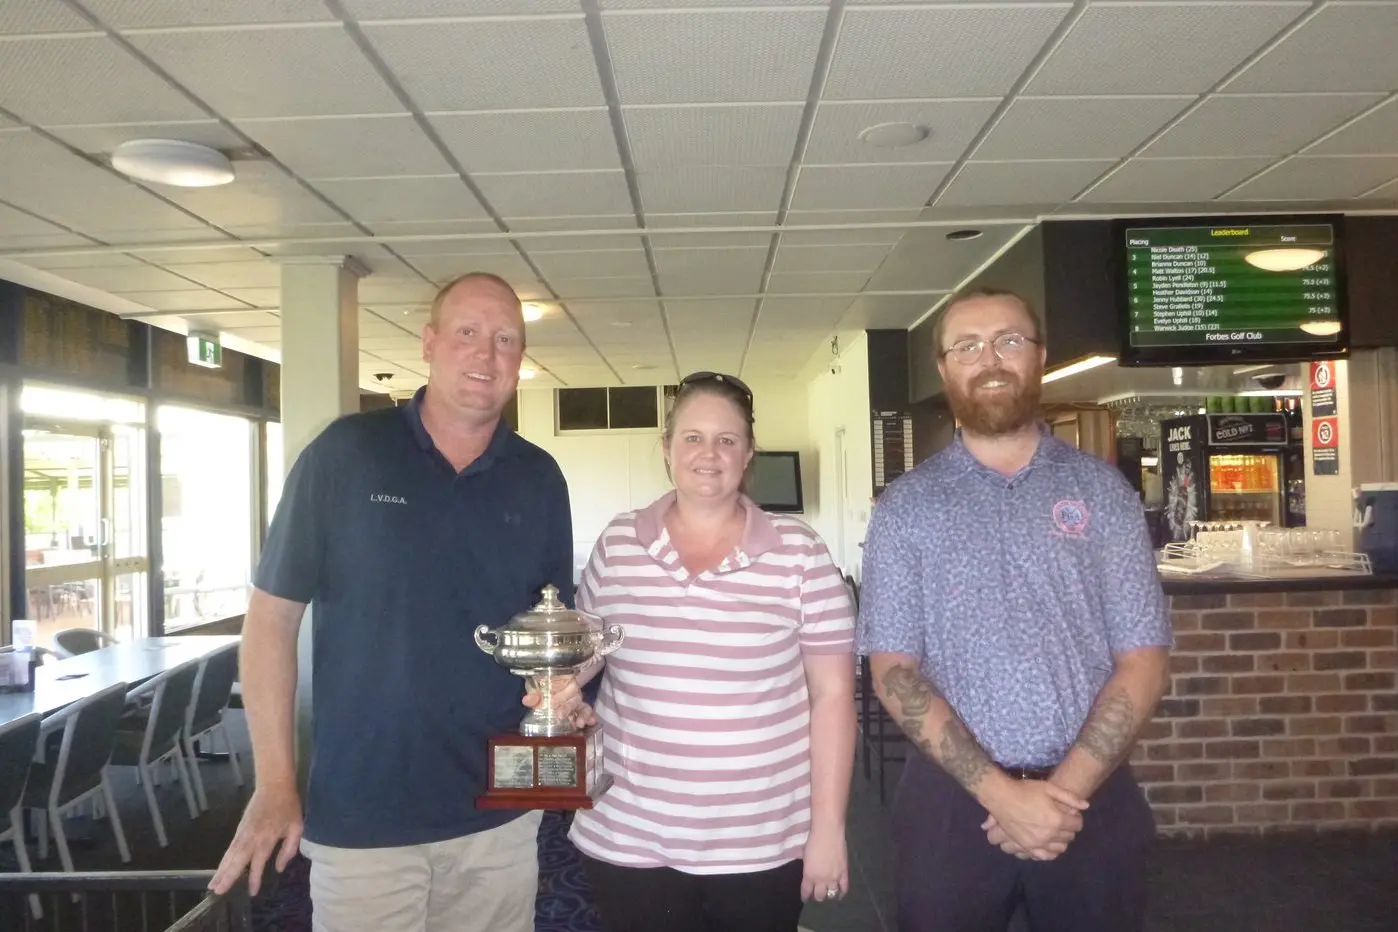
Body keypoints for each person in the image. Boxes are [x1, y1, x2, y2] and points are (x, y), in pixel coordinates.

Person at [210, 272, 581, 932]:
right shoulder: (343, 455)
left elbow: (550, 634)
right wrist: (274, 782)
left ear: (520, 361)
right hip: (364, 815)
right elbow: (270, 622)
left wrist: (564, 694)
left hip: (501, 810)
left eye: (505, 340)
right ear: (429, 343)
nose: (486, 354)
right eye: (467, 333)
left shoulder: (539, 478)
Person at [857, 288, 1172, 932]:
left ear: (1040, 358)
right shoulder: (904, 510)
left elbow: (1142, 660)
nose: (990, 358)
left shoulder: (1103, 495)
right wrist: (1001, 795)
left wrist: (1063, 795)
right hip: (951, 804)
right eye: (967, 346)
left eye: (1009, 340)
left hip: (1090, 797)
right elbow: (893, 670)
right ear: (945, 370)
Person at [566, 372, 857, 932]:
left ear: (748, 454)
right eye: (692, 437)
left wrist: (829, 830)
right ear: (667, 448)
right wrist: (561, 682)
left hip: (761, 836)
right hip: (629, 829)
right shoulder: (619, 542)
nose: (709, 453)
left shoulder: (799, 552)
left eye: (727, 439)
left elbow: (835, 697)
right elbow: (591, 649)